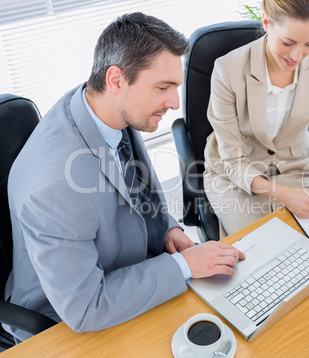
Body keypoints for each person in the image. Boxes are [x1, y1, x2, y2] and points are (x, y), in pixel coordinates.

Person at [4, 12, 245, 343]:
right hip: (66, 320)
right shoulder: (55, 188)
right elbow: (87, 307)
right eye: (164, 87)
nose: (175, 103)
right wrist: (184, 266)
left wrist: (167, 228)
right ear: (116, 79)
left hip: (123, 270)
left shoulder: (103, 106)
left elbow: (138, 185)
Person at [204, 0, 309, 236]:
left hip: (295, 169)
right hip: (236, 177)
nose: (297, 55)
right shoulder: (228, 69)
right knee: (261, 250)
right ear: (266, 22)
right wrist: (285, 196)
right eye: (288, 42)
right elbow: (234, 162)